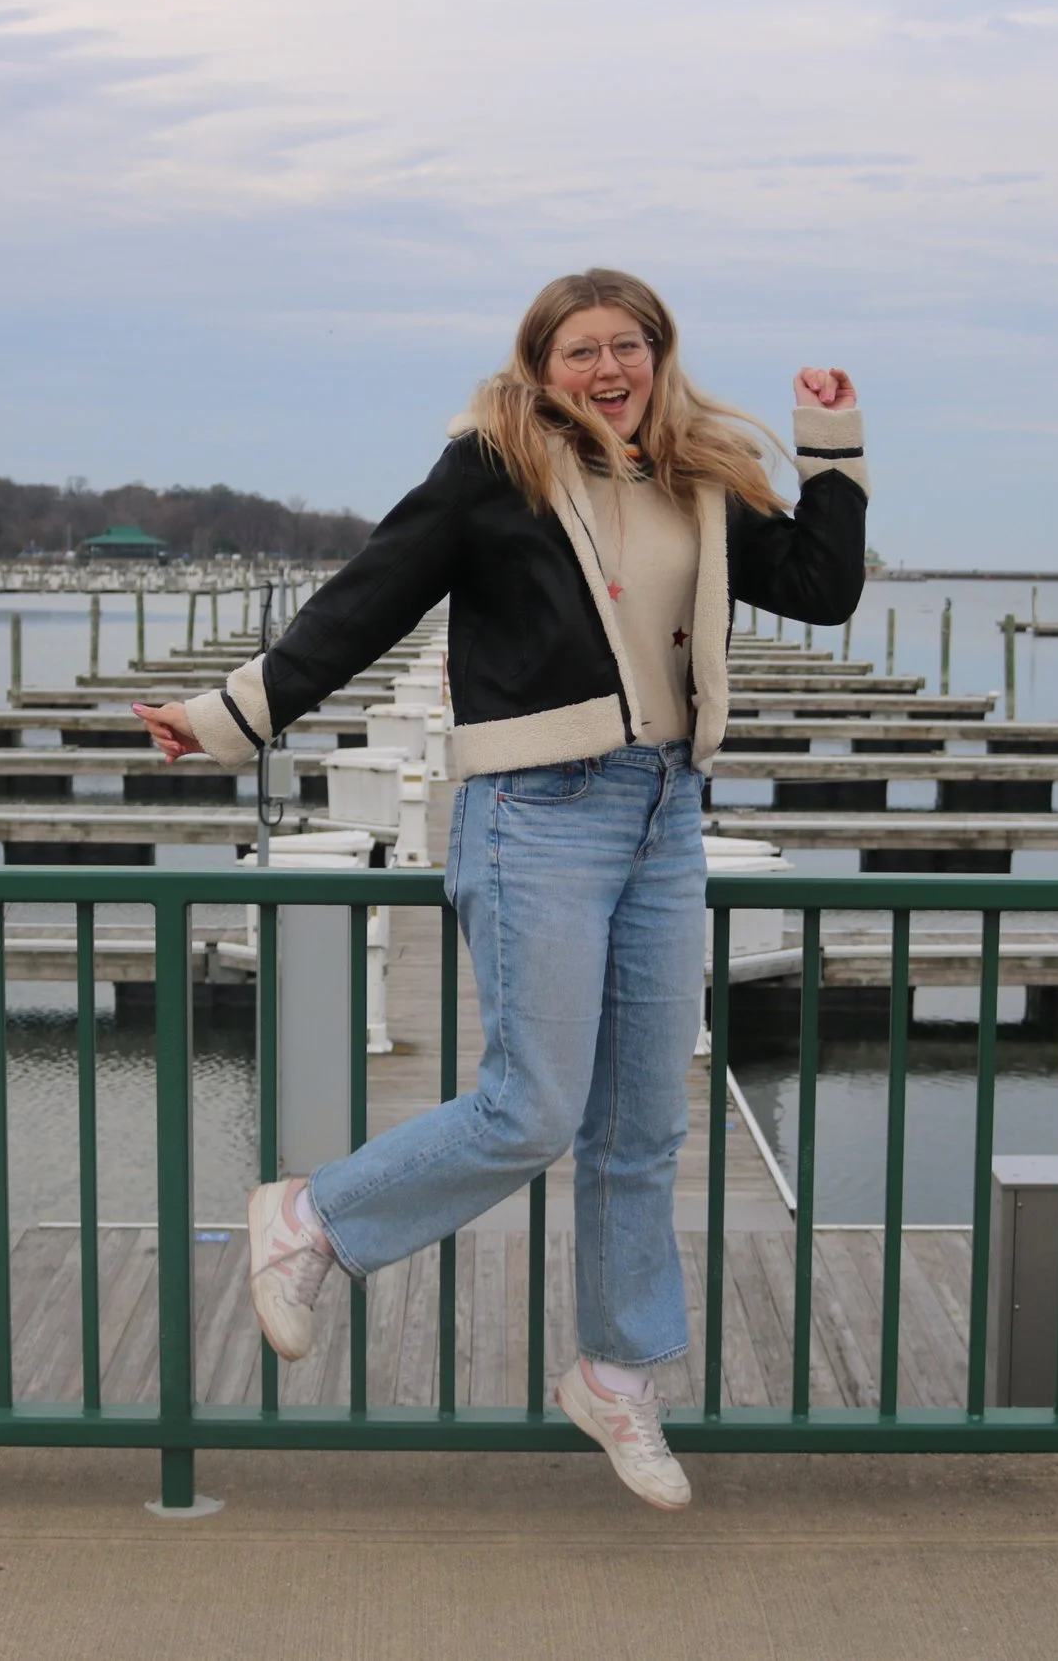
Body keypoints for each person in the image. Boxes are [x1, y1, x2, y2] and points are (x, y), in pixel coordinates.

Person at [135, 268, 866, 1508]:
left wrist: (831, 452)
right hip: (538, 817)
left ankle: (618, 1374)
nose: (610, 368)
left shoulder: (692, 475)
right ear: (541, 366)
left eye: (630, 344)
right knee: (531, 1105)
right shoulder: (492, 469)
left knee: (645, 1123)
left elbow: (819, 588)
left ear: (659, 354)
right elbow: (365, 599)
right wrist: (234, 717)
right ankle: (312, 1217)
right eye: (582, 349)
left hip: (663, 815)